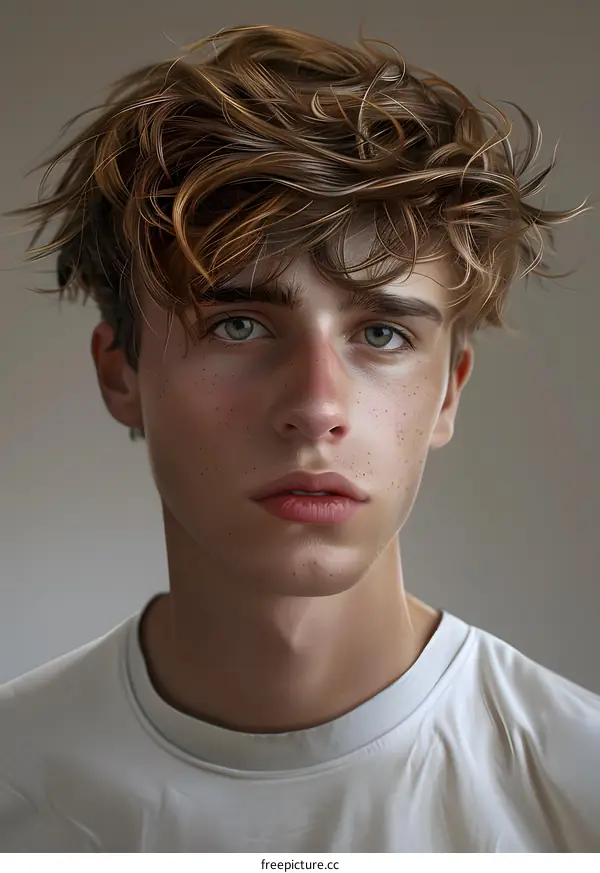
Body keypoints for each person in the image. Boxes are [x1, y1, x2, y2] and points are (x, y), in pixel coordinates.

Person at [1, 23, 598, 854]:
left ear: (448, 394)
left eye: (383, 335)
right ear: (120, 375)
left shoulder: (580, 787)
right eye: (239, 324)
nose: (317, 406)